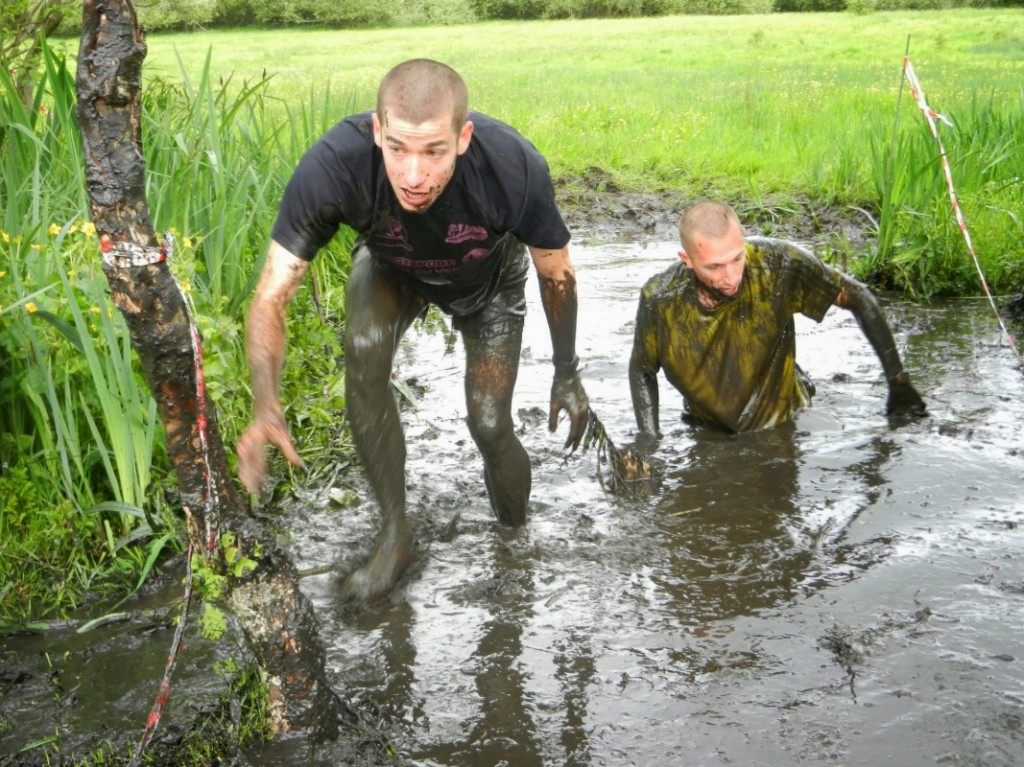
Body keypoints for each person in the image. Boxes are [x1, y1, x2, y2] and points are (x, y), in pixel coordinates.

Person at [236, 59, 589, 602]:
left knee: (491, 424)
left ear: (463, 137)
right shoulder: (337, 163)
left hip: (488, 282)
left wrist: (567, 373)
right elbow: (270, 295)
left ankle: (515, 538)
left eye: (434, 152)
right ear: (377, 131)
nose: (414, 176)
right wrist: (265, 405)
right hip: (393, 267)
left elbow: (556, 274)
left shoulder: (512, 166)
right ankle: (395, 531)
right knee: (364, 343)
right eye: (397, 148)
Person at [629, 199, 926, 436]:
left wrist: (898, 381)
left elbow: (857, 296)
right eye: (715, 267)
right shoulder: (660, 300)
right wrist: (649, 441)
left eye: (736, 258)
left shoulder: (778, 266)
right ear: (688, 261)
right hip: (706, 426)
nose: (731, 276)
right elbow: (642, 370)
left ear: (742, 238)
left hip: (782, 420)